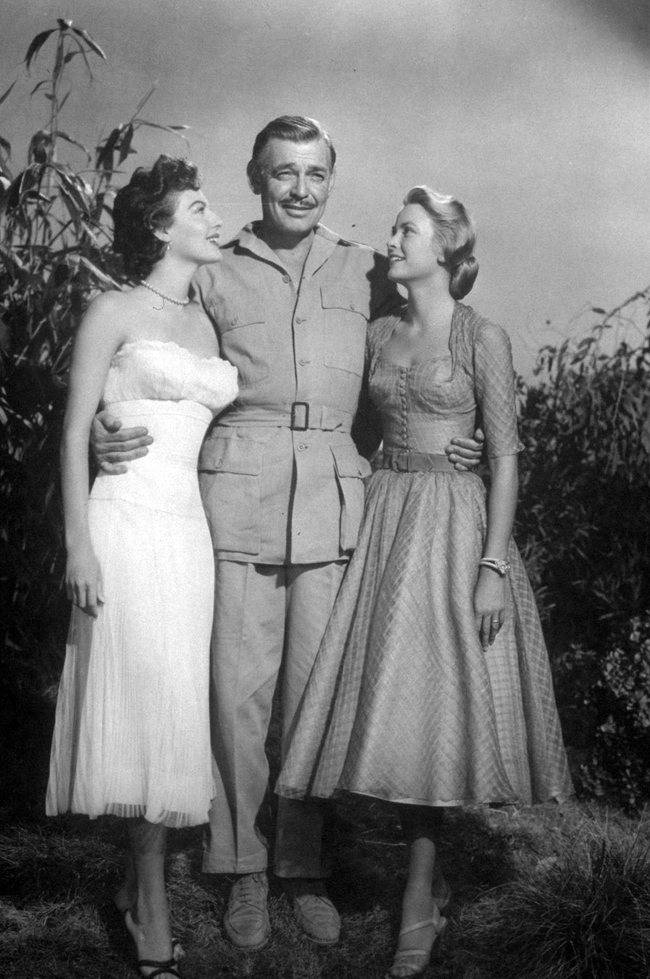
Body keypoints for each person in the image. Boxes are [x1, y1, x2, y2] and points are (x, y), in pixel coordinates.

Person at [91, 118, 484, 950]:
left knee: (314, 700)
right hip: (237, 497)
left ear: (331, 180)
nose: (300, 190)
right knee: (238, 698)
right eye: (283, 174)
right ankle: (238, 863)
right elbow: (145, 347)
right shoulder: (215, 267)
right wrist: (103, 422)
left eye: (315, 174)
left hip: (336, 504)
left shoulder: (365, 269)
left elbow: (427, 344)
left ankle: (302, 866)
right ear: (255, 178)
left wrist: (459, 430)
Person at [276, 186, 574, 979]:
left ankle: (418, 889)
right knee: (401, 702)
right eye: (393, 228)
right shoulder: (378, 331)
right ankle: (419, 877)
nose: (391, 239)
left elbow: (506, 457)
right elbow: (359, 428)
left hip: (455, 529)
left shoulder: (483, 335)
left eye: (406, 229)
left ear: (445, 246)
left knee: (441, 702)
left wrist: (492, 566)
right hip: (386, 519)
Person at [46, 156, 239, 979]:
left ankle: (136, 883)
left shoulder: (210, 321)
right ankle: (152, 910)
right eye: (199, 207)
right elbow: (73, 431)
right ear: (161, 226)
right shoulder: (112, 309)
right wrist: (78, 544)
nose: (215, 217)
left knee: (171, 701)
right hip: (122, 524)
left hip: (187, 535)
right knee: (138, 703)